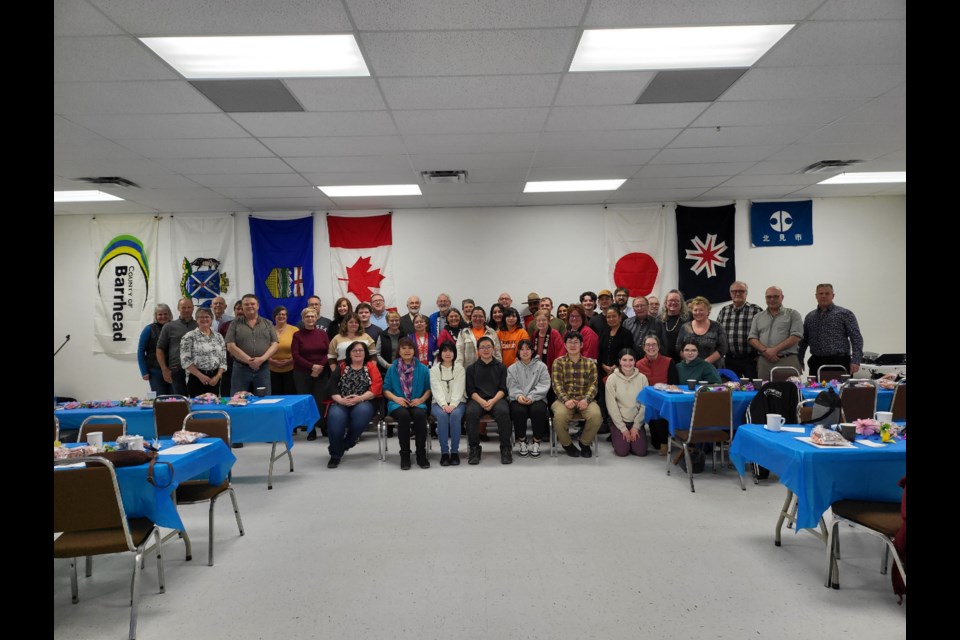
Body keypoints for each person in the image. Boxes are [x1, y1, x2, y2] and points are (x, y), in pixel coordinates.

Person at [324, 341, 382, 468]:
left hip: (364, 400)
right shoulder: (342, 366)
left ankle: (346, 444)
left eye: (360, 350)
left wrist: (360, 398)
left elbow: (377, 387)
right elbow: (331, 386)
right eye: (354, 350)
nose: (357, 353)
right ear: (349, 353)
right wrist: (340, 400)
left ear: (365, 353)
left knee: (362, 414)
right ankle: (335, 455)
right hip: (341, 400)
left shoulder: (371, 366)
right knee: (335, 420)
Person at [551, 331, 603, 458]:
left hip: (585, 399)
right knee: (559, 417)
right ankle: (567, 444)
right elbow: (556, 384)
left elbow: (593, 385)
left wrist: (586, 400)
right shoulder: (558, 362)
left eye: (576, 342)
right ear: (564, 345)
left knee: (596, 416)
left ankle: (585, 443)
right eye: (570, 342)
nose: (573, 345)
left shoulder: (590, 363)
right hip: (564, 399)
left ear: (581, 345)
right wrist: (566, 400)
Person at [383, 337, 432, 470]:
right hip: (397, 403)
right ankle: (405, 454)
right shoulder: (392, 368)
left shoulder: (423, 368)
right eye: (403, 348)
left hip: (417, 402)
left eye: (410, 348)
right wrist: (396, 399)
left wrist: (421, 400)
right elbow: (386, 389)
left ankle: (421, 454)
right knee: (404, 416)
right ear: (399, 351)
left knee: (420, 415)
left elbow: (428, 389)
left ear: (414, 350)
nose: (407, 351)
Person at [464, 336, 513, 465]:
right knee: (471, 413)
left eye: (488, 347)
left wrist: (492, 401)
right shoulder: (471, 368)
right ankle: (474, 449)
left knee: (503, 412)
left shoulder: (501, 367)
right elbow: (470, 391)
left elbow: (503, 389)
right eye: (482, 347)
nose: (485, 350)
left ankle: (506, 448)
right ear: (478, 351)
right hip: (477, 399)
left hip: (497, 398)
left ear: (494, 349)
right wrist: (481, 401)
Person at [799, 283, 865, 376]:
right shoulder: (810, 317)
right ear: (816, 296)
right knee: (815, 390)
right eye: (821, 294)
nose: (824, 296)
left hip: (839, 362)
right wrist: (800, 360)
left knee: (839, 390)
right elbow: (804, 341)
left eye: (827, 293)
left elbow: (856, 338)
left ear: (833, 296)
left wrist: (856, 360)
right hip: (816, 362)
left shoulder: (845, 314)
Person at [226, 293, 279, 395]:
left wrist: (261, 359)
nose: (250, 306)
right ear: (242, 307)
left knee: (264, 400)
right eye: (246, 304)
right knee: (238, 400)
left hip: (262, 369)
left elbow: (275, 344)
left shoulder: (268, 323)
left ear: (257, 306)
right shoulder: (234, 324)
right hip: (241, 369)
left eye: (252, 304)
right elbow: (230, 346)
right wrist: (249, 361)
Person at [748, 286, 804, 381]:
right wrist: (766, 351)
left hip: (787, 360)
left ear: (782, 297)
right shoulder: (758, 317)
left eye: (776, 296)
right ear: (765, 298)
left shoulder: (793, 314)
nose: (772, 299)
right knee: (764, 392)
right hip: (764, 361)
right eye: (769, 297)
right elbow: (752, 338)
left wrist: (774, 350)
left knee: (790, 392)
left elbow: (796, 336)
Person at [506, 339, 550, 458]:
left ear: (532, 351)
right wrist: (519, 395)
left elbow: (544, 384)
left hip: (537, 398)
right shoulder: (512, 368)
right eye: (522, 349)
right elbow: (511, 385)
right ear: (518, 352)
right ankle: (522, 441)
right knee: (518, 411)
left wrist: (532, 397)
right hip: (518, 398)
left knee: (538, 411)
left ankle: (536, 442)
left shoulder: (541, 366)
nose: (525, 352)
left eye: (528, 349)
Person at [291, 306, 330, 441]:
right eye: (307, 316)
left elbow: (328, 352)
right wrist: (312, 367)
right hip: (302, 373)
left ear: (316, 318)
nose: (310, 319)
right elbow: (295, 355)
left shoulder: (322, 334)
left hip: (322, 371)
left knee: (322, 401)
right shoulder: (297, 335)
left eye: (312, 316)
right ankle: (311, 430)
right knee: (307, 402)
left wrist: (319, 367)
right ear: (303, 319)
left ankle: (324, 426)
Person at [636, 334, 680, 455]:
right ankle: (660, 440)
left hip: (665, 400)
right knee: (655, 444)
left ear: (659, 347)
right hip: (647, 401)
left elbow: (673, 384)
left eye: (654, 344)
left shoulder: (669, 361)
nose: (651, 347)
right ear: (643, 347)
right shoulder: (638, 364)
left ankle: (664, 441)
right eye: (648, 345)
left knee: (657, 410)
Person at [606, 348, 649, 457]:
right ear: (619, 361)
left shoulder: (643, 378)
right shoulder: (612, 379)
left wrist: (636, 426)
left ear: (635, 361)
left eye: (631, 360)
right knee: (622, 452)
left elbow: (645, 404)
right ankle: (616, 436)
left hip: (635, 421)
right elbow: (611, 405)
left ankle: (632, 437)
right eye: (624, 360)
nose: (627, 363)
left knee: (640, 452)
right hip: (619, 421)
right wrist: (623, 428)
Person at [716, 281, 763, 380]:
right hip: (730, 359)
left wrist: (760, 356)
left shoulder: (756, 310)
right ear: (730, 293)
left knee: (752, 388)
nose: (737, 293)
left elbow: (763, 335)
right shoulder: (724, 311)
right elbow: (718, 334)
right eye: (734, 291)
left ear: (746, 293)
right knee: (731, 388)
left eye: (741, 291)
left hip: (750, 359)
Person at [430, 341, 466, 466]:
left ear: (454, 353)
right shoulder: (434, 370)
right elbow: (436, 389)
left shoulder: (459, 369)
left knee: (455, 416)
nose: (447, 353)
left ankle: (455, 452)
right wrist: (444, 405)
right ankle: (445, 452)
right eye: (444, 351)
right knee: (442, 416)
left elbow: (459, 388)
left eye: (450, 350)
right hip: (438, 404)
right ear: (440, 353)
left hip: (458, 403)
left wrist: (453, 405)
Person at [180, 307, 227, 397]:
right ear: (196, 320)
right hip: (196, 378)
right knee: (198, 407)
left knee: (213, 408)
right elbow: (185, 360)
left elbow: (223, 359)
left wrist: (218, 376)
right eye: (201, 317)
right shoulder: (189, 336)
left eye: (207, 317)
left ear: (211, 319)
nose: (204, 319)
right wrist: (200, 376)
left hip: (215, 378)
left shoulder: (218, 336)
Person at [157, 297, 198, 396]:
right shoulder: (169, 326)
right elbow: (160, 349)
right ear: (178, 308)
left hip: (197, 369)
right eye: (183, 307)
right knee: (180, 401)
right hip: (176, 369)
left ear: (193, 308)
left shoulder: (199, 325)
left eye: (189, 307)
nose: (186, 310)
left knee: (197, 400)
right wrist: (164, 369)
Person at [676, 296, 728, 370]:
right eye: (695, 310)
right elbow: (678, 347)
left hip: (713, 368)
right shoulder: (685, 327)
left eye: (701, 310)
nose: (698, 312)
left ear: (708, 312)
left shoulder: (718, 327)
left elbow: (723, 348)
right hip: (690, 367)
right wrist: (692, 362)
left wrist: (704, 363)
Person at [138, 303, 173, 394]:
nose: (163, 316)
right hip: (155, 371)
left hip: (173, 370)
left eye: (165, 314)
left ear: (170, 315)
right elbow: (141, 351)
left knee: (175, 399)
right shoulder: (149, 329)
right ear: (155, 316)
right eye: (160, 314)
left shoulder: (175, 328)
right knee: (160, 399)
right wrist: (144, 371)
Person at [268, 305, 298, 395]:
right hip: (271, 369)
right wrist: (270, 361)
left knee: (290, 394)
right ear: (274, 316)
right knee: (275, 395)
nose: (281, 316)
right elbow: (262, 348)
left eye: (283, 314)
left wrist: (290, 361)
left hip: (291, 368)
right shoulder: (268, 330)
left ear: (287, 316)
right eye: (278, 314)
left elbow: (300, 349)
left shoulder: (294, 330)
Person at [218, 300, 243, 395]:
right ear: (234, 310)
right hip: (228, 366)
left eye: (242, 309)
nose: (240, 311)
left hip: (245, 366)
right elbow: (219, 345)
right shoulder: (225, 326)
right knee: (227, 393)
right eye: (238, 309)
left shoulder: (250, 325)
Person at [657, 289, 689, 361]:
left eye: (677, 300)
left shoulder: (688, 319)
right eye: (671, 300)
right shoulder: (659, 319)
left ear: (681, 303)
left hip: (683, 360)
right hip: (663, 359)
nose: (673, 302)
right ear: (665, 303)